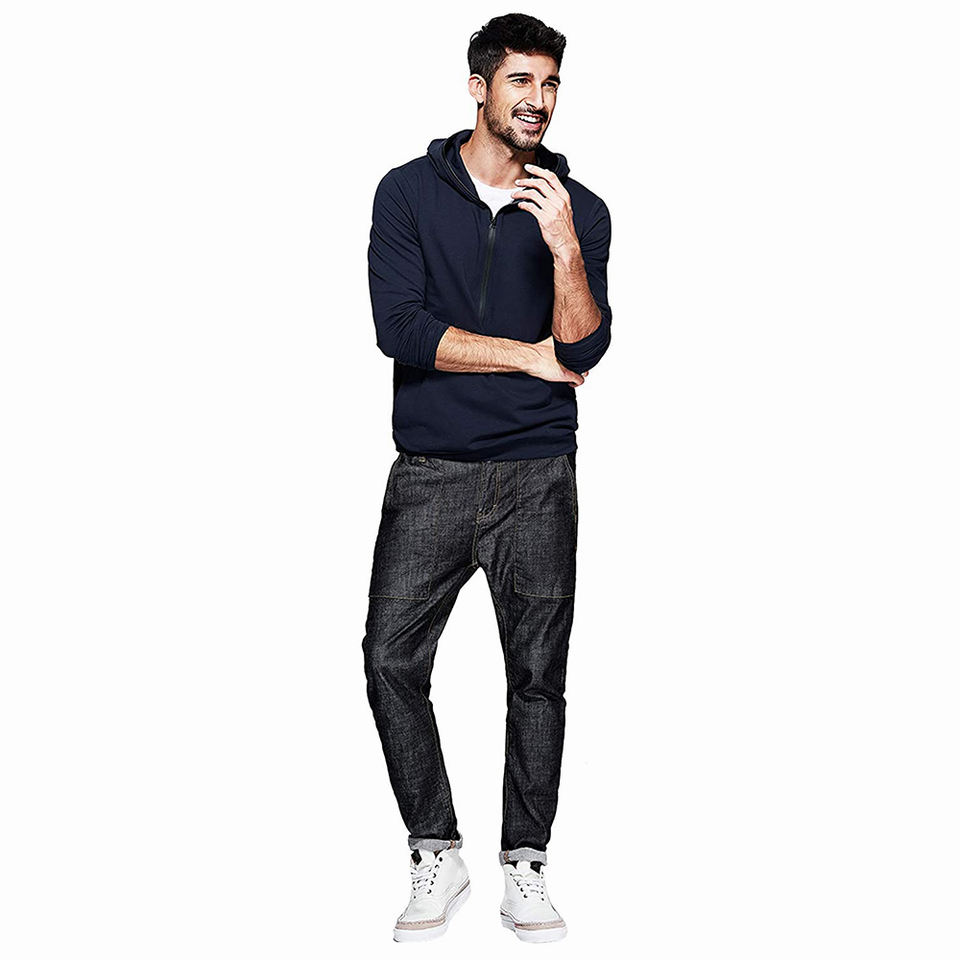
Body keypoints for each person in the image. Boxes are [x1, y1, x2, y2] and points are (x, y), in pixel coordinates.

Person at [362, 13, 613, 943]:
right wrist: (524, 355)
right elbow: (402, 330)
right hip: (431, 472)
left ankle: (526, 865)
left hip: (539, 473)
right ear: (479, 88)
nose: (538, 101)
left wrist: (564, 247)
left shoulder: (579, 207)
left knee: (537, 677)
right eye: (520, 82)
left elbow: (582, 349)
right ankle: (437, 848)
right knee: (389, 659)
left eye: (550, 85)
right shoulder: (406, 193)